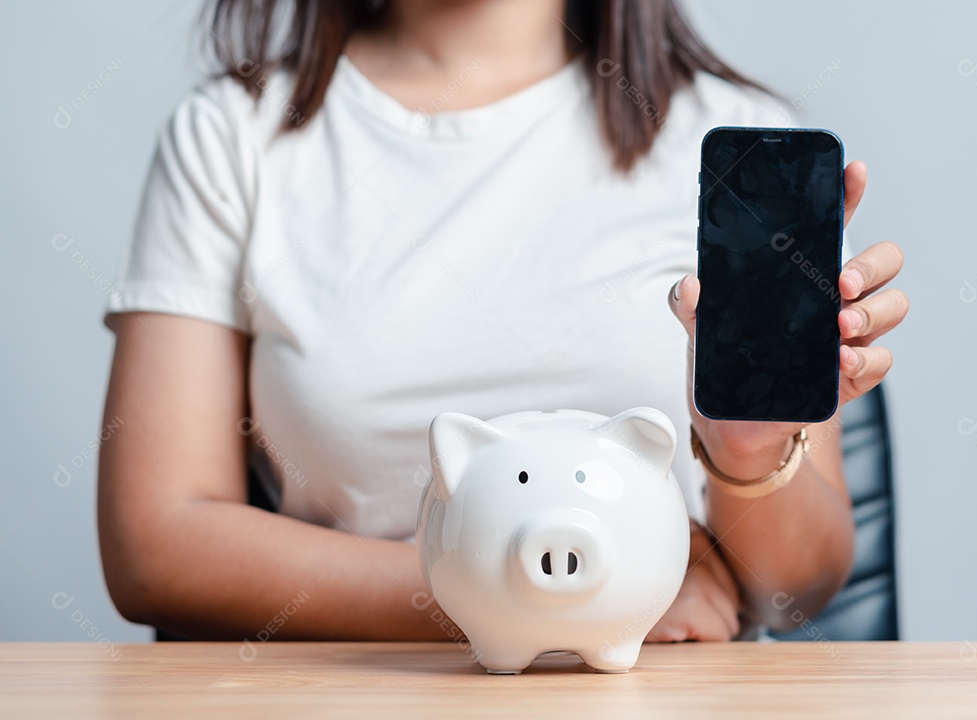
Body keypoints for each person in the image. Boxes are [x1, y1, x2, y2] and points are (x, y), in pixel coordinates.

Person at [98, 0, 907, 643]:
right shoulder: (232, 137)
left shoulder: (734, 143)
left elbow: (795, 591)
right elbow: (155, 545)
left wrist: (746, 457)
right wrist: (560, 593)